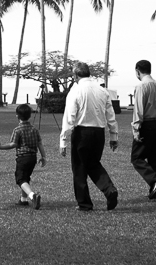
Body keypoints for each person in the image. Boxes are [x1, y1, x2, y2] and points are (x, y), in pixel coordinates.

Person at [60, 62, 120, 211]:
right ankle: (109, 189)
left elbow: (69, 118)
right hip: (99, 132)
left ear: (75, 76)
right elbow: (111, 116)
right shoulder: (102, 91)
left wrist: (63, 141)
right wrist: (114, 136)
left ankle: (84, 203)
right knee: (93, 163)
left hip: (82, 133)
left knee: (79, 168)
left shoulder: (75, 91)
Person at [130, 59, 156, 200]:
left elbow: (139, 110)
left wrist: (136, 129)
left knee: (137, 157)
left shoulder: (141, 86)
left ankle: (155, 181)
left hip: (147, 125)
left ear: (137, 71)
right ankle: (155, 193)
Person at [0, 104, 47, 209]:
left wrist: (0, 147)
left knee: (20, 179)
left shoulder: (17, 130)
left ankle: (32, 196)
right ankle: (23, 200)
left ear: (17, 116)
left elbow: (13, 144)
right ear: (30, 116)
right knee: (26, 177)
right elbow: (40, 143)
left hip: (22, 157)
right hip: (33, 157)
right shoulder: (34, 129)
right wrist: (44, 156)